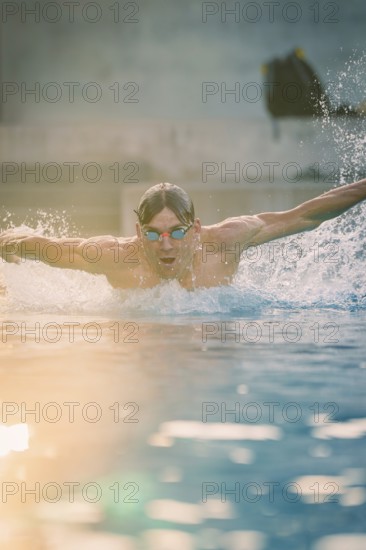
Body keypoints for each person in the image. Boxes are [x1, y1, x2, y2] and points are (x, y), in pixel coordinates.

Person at [1, 180, 366, 290]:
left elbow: (304, 216)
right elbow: (43, 247)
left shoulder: (225, 241)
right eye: (153, 234)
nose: (165, 245)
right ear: (138, 231)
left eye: (176, 232)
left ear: (195, 229)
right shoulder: (115, 256)